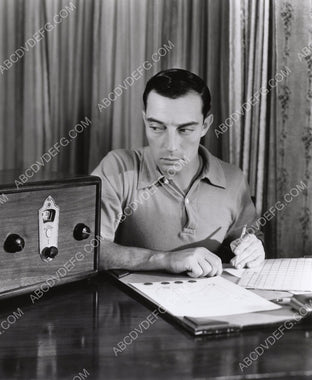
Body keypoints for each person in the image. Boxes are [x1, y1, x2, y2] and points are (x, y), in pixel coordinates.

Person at [92, 68, 265, 278]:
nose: (171, 146)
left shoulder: (233, 179)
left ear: (205, 126)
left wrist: (253, 251)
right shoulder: (118, 168)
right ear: (145, 120)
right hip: (128, 306)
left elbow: (246, 242)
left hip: (207, 305)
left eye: (185, 130)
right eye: (157, 127)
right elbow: (89, 250)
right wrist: (165, 259)